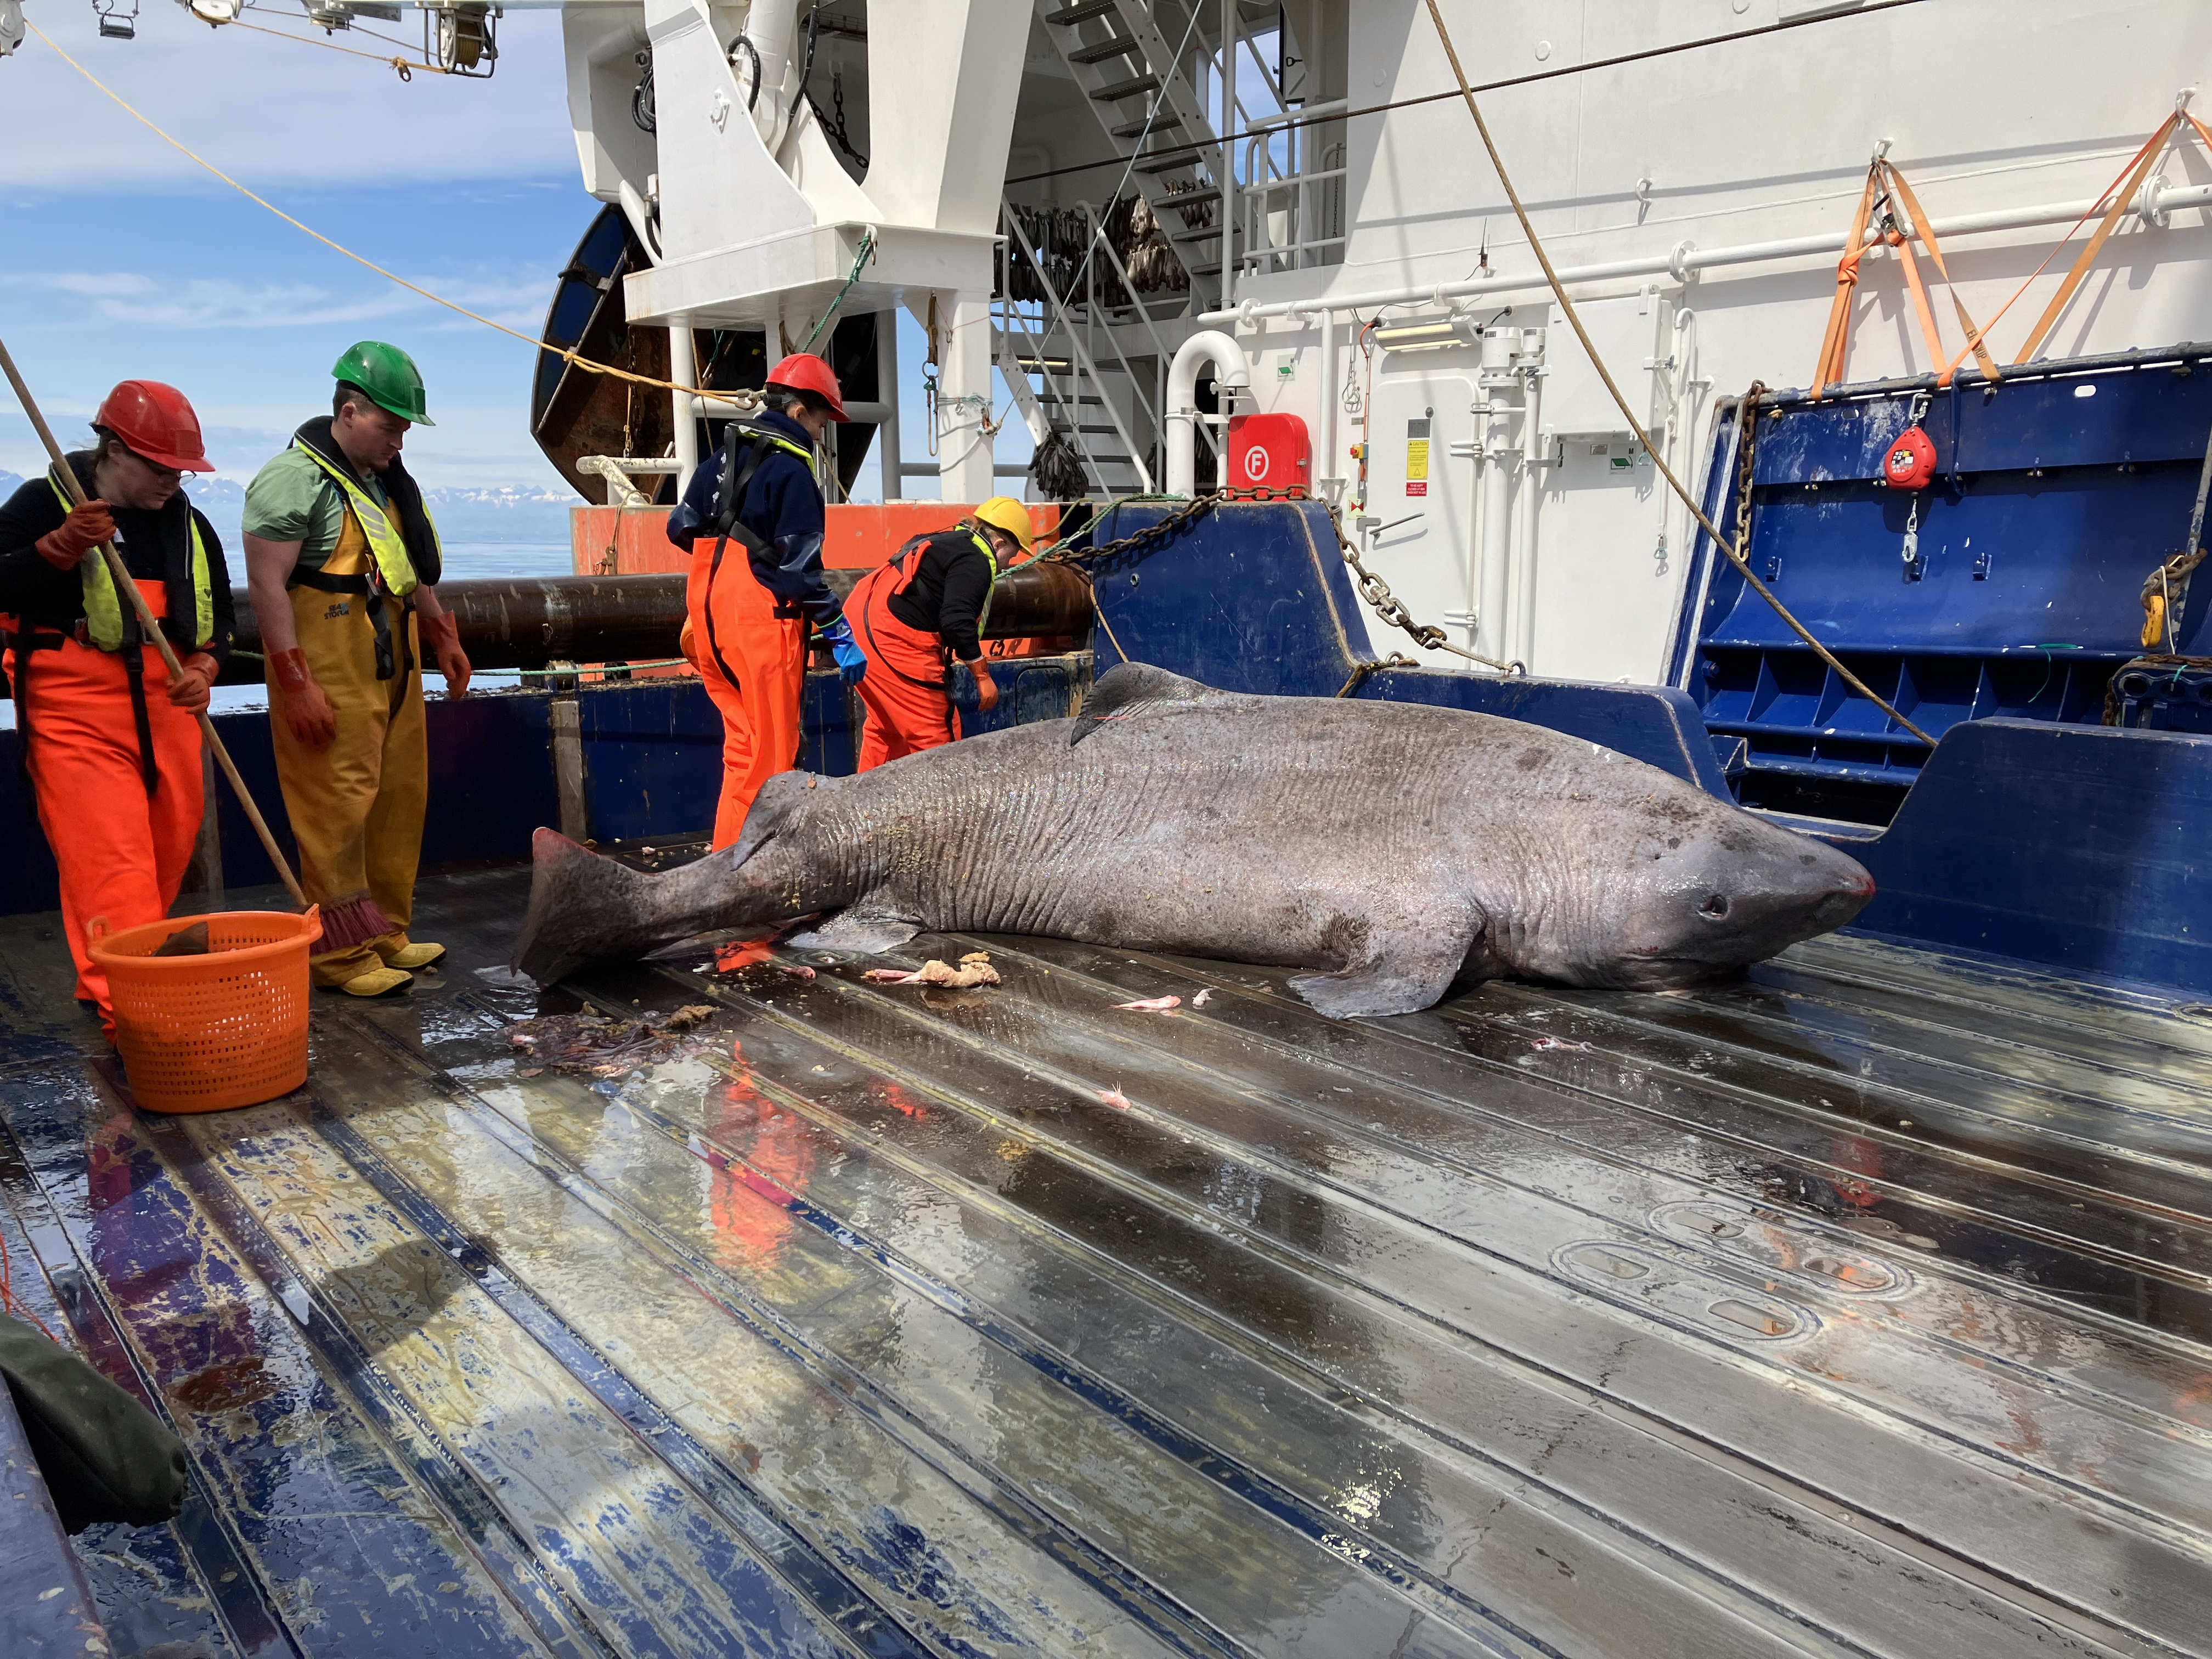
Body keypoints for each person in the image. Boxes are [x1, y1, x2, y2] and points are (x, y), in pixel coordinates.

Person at [0, 382, 233, 1034]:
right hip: (74, 711)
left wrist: (204, 669)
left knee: (162, 860)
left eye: (181, 470)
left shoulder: (190, 525)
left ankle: (105, 978)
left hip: (168, 710)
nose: (173, 481)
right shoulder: (41, 504)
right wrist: (59, 547)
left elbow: (219, 630)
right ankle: (139, 1014)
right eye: (160, 468)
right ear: (113, 450)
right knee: (113, 867)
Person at [242, 342, 471, 999]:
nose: (400, 441)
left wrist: (442, 632)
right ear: (349, 411)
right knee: (335, 809)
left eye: (404, 429)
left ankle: (387, 932)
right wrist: (295, 682)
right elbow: (266, 586)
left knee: (399, 796)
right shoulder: (293, 480)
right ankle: (340, 956)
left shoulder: (380, 484)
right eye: (391, 426)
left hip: (394, 666)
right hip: (331, 670)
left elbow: (404, 567)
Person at [665, 353, 867, 847]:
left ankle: (723, 882)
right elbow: (799, 573)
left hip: (707, 622)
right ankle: (757, 917)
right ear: (800, 412)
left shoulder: (719, 460)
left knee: (741, 756)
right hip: (760, 628)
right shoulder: (793, 474)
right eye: (821, 423)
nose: (821, 435)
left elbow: (680, 528)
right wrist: (839, 631)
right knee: (773, 770)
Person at [848, 496, 1033, 770]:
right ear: (999, 543)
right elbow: (957, 619)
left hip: (858, 622)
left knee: (885, 726)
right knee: (936, 737)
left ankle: (864, 806)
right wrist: (982, 675)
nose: (1008, 564)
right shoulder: (976, 561)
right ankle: (946, 814)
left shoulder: (946, 541)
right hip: (894, 638)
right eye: (1012, 554)